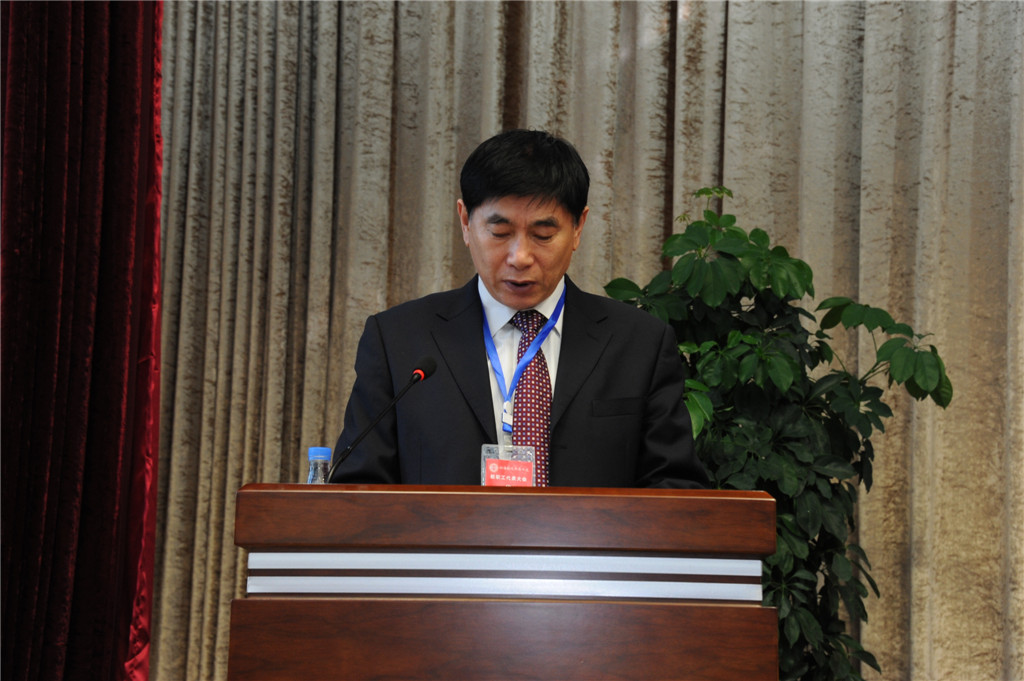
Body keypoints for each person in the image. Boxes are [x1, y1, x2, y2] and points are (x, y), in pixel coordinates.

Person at [330, 129, 708, 488]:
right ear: (466, 222)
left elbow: (675, 488)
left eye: (543, 235)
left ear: (578, 227)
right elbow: (358, 489)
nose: (520, 257)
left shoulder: (639, 344)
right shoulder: (398, 340)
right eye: (500, 232)